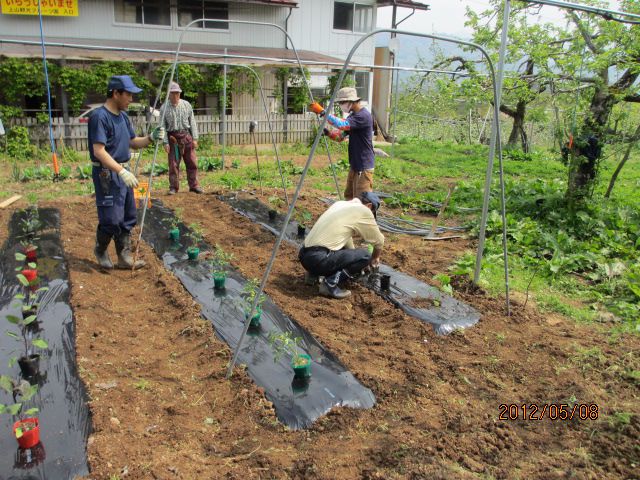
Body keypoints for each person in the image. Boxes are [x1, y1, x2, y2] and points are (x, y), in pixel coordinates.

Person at [89, 75, 164, 270]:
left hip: (123, 171)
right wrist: (121, 171)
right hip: (107, 174)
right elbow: (99, 151)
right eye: (128, 95)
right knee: (111, 218)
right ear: (115, 93)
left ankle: (123, 256)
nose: (131, 99)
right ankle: (100, 249)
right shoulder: (100, 117)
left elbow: (132, 142)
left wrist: (150, 138)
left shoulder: (122, 117)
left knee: (128, 215)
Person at [298, 192, 384, 299]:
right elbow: (379, 240)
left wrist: (354, 260)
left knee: (336, 245)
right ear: (369, 206)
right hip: (318, 260)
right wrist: (374, 258)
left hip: (304, 255)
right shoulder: (363, 211)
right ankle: (330, 284)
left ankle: (312, 275)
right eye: (372, 212)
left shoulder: (339, 204)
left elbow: (346, 239)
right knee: (365, 255)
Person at [309, 87, 375, 200]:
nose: (341, 105)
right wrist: (328, 133)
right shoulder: (353, 116)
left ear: (352, 101)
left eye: (342, 102)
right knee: (349, 197)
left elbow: (341, 125)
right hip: (355, 165)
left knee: (362, 202)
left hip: (363, 167)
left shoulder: (363, 116)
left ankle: (364, 218)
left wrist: (322, 112)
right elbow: (341, 137)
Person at [162, 81, 202, 195]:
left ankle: (194, 186)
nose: (175, 96)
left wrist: (195, 139)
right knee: (173, 165)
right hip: (173, 139)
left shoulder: (186, 105)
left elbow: (192, 122)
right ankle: (173, 187)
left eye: (177, 93)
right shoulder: (164, 108)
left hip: (186, 137)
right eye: (173, 93)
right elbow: (162, 126)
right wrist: (165, 142)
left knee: (192, 162)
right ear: (169, 94)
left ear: (180, 94)